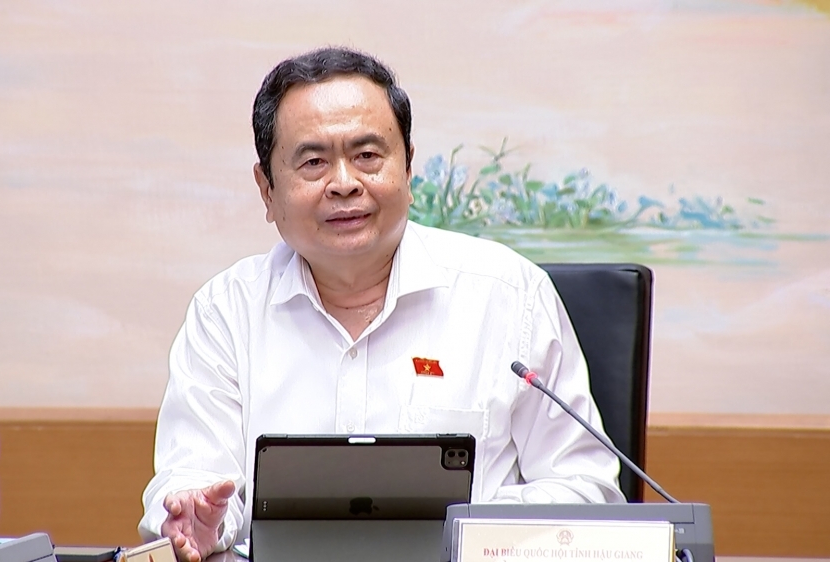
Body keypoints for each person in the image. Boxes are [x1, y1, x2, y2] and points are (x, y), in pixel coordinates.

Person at [138, 46, 625, 562]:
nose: (345, 183)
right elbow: (191, 480)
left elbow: (587, 489)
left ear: (408, 169)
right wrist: (198, 519)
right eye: (313, 162)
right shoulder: (225, 313)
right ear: (267, 190)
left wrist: (461, 525)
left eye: (367, 156)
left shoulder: (509, 297)